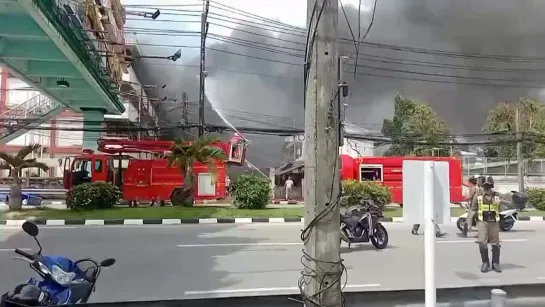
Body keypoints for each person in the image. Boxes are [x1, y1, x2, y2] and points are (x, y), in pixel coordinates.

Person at [472, 175, 502, 273]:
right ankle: (485, 262)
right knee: (482, 242)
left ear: (492, 186)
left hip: (494, 222)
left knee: (495, 244)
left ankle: (495, 263)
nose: (487, 189)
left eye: (488, 186)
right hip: (482, 221)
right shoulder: (478, 196)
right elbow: (473, 209)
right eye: (485, 186)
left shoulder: (497, 196)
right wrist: (469, 222)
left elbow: (506, 204)